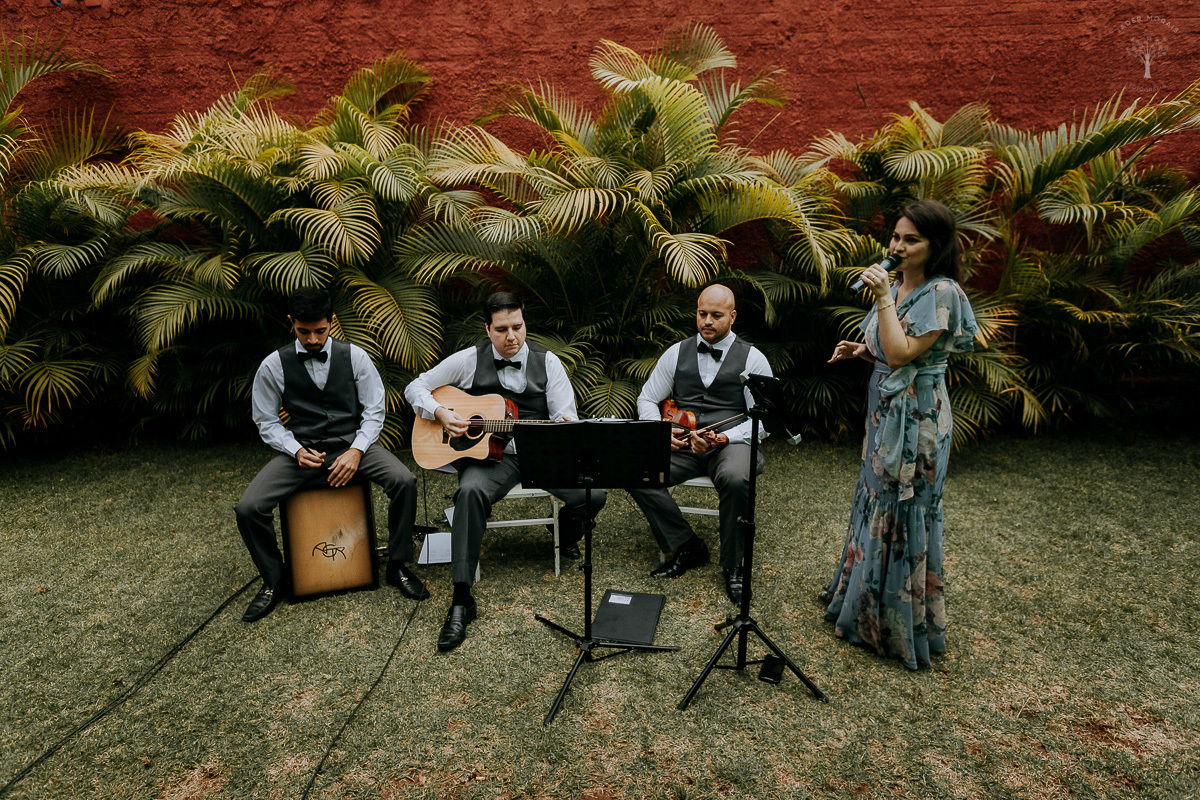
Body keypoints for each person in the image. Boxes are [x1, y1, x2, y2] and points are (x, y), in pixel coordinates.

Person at [821, 199, 978, 669]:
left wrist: (883, 302)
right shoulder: (895, 281)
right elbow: (886, 348)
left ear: (936, 245)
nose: (898, 246)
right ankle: (859, 601)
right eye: (895, 237)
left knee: (903, 505)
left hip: (917, 417)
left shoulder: (942, 291)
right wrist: (860, 350)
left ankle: (892, 624)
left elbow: (905, 353)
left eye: (911, 240)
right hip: (883, 409)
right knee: (875, 498)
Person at [404, 291, 606, 652]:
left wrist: (563, 427)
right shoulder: (468, 359)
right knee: (469, 493)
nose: (511, 336)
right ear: (488, 328)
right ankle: (462, 597)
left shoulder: (550, 363)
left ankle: (565, 533)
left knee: (594, 493)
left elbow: (567, 418)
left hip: (543, 451)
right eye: (502, 330)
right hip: (491, 458)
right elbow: (415, 386)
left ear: (525, 323)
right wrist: (439, 412)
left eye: (518, 326)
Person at [234, 286, 427, 623]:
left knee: (404, 480)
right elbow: (265, 421)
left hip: (353, 444)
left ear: (332, 321)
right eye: (303, 331)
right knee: (249, 508)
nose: (312, 340)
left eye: (320, 331)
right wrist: (294, 450)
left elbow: (374, 411)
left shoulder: (355, 357)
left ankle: (397, 566)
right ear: (291, 322)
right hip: (303, 449)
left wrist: (355, 451)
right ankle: (275, 579)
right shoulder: (272, 366)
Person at [627, 284, 773, 604]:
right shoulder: (676, 352)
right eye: (702, 313)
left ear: (732, 317)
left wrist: (723, 437)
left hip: (732, 444)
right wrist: (660, 429)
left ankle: (734, 565)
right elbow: (648, 398)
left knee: (736, 478)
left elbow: (762, 421)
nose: (707, 321)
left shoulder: (754, 359)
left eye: (716, 315)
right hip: (683, 443)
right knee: (635, 468)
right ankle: (687, 545)